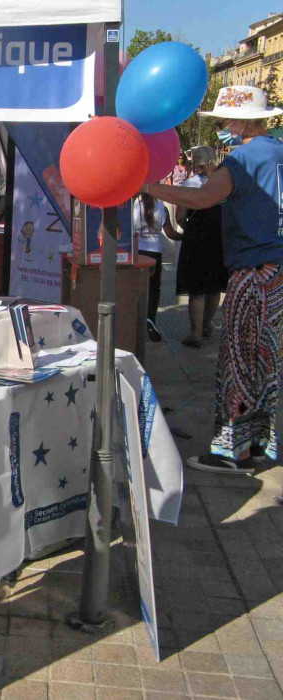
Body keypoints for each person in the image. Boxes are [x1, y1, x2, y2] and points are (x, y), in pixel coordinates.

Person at [142, 85, 283, 475]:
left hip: (253, 270)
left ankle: (230, 452)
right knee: (265, 362)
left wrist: (148, 186)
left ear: (242, 120)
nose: (222, 126)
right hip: (276, 270)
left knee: (238, 359)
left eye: (224, 120)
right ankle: (258, 444)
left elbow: (204, 198)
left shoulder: (243, 159)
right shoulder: (278, 152)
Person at [175, 146, 227, 347]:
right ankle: (206, 326)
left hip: (196, 239)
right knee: (214, 286)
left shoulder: (190, 184)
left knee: (197, 288)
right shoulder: (223, 184)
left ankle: (195, 334)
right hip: (219, 238)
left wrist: (188, 227)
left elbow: (180, 216)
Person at [132, 192, 180, 341]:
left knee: (137, 287)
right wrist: (186, 236)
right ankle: (151, 318)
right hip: (155, 253)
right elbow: (170, 233)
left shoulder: (134, 207)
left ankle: (135, 319)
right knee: (154, 288)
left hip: (138, 251)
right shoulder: (162, 208)